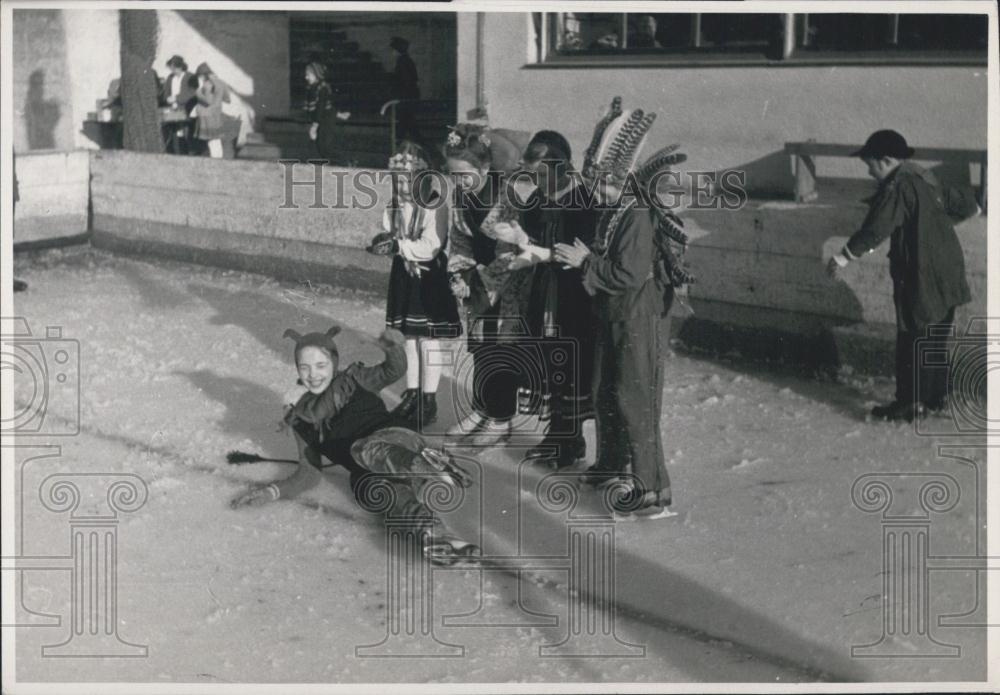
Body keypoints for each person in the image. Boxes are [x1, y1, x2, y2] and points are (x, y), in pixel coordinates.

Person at [229, 325, 478, 564]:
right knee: (372, 490)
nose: (313, 374)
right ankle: (436, 536)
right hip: (375, 470)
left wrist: (390, 346)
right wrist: (271, 492)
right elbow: (309, 474)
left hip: (398, 440)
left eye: (320, 365)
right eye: (305, 367)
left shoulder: (355, 380)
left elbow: (394, 370)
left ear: (333, 363)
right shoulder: (302, 419)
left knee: (362, 449)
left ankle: (426, 462)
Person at [554, 97, 679, 520]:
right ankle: (612, 463)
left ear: (621, 178)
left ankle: (652, 488)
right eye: (594, 182)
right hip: (612, 312)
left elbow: (629, 273)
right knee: (605, 390)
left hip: (638, 316)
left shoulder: (636, 213)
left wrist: (584, 262)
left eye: (603, 183)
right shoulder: (614, 208)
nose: (596, 191)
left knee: (635, 399)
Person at [827, 129, 979, 422]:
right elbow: (969, 206)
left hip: (921, 272)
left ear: (885, 160)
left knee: (912, 336)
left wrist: (842, 257)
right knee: (935, 337)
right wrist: (933, 227)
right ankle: (935, 398)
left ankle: (910, 403)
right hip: (949, 269)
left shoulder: (897, 186)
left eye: (870, 164)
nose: (869, 171)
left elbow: (876, 228)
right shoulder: (924, 177)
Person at [514, 130, 600, 469]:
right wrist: (519, 241)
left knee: (570, 363)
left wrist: (542, 252)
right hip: (544, 293)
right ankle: (556, 433)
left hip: (574, 297)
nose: (536, 182)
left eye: (541, 174)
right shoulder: (537, 199)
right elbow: (527, 234)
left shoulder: (583, 199)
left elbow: (582, 249)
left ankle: (569, 438)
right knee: (549, 361)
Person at [445, 123, 533, 445]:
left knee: (501, 351)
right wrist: (460, 273)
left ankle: (500, 418)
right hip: (477, 281)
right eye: (452, 175)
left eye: (464, 175)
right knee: (481, 348)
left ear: (484, 168)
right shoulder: (461, 195)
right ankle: (481, 408)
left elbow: (509, 252)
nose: (458, 182)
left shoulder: (506, 197)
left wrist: (479, 283)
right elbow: (459, 239)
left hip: (506, 284)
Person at [366, 141, 462, 429]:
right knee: (408, 337)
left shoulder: (435, 204)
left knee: (428, 339)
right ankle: (413, 393)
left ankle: (428, 400)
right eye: (398, 181)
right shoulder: (396, 204)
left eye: (408, 181)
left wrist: (399, 246)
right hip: (404, 276)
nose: (403, 187)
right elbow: (390, 230)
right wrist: (384, 243)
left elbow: (432, 246)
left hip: (429, 277)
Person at [304, 61, 350, 164]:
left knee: (324, 145)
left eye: (308, 75)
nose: (306, 77)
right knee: (321, 146)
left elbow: (322, 107)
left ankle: (344, 162)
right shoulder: (313, 87)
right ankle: (336, 162)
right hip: (322, 118)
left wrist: (314, 126)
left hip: (325, 119)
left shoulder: (322, 88)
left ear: (316, 74)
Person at [163, 55, 198, 154]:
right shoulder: (170, 78)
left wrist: (177, 98)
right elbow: (166, 92)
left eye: (174, 68)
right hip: (173, 109)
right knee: (175, 131)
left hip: (187, 109)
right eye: (171, 68)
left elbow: (192, 93)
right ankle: (177, 153)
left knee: (186, 132)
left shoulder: (190, 77)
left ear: (180, 67)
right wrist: (167, 99)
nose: (172, 70)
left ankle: (188, 152)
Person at [389, 37, 421, 143]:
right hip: (410, 95)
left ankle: (400, 141)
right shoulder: (407, 60)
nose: (392, 52)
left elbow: (405, 81)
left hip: (406, 96)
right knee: (408, 122)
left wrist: (399, 96)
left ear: (397, 50)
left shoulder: (402, 62)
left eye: (393, 50)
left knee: (406, 121)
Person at [194, 63, 226, 158]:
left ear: (203, 75)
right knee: (216, 139)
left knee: (211, 140)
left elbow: (208, 101)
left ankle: (215, 158)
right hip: (217, 113)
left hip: (208, 115)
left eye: (200, 76)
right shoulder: (221, 83)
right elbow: (227, 98)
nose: (200, 78)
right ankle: (218, 157)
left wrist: (198, 93)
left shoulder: (207, 84)